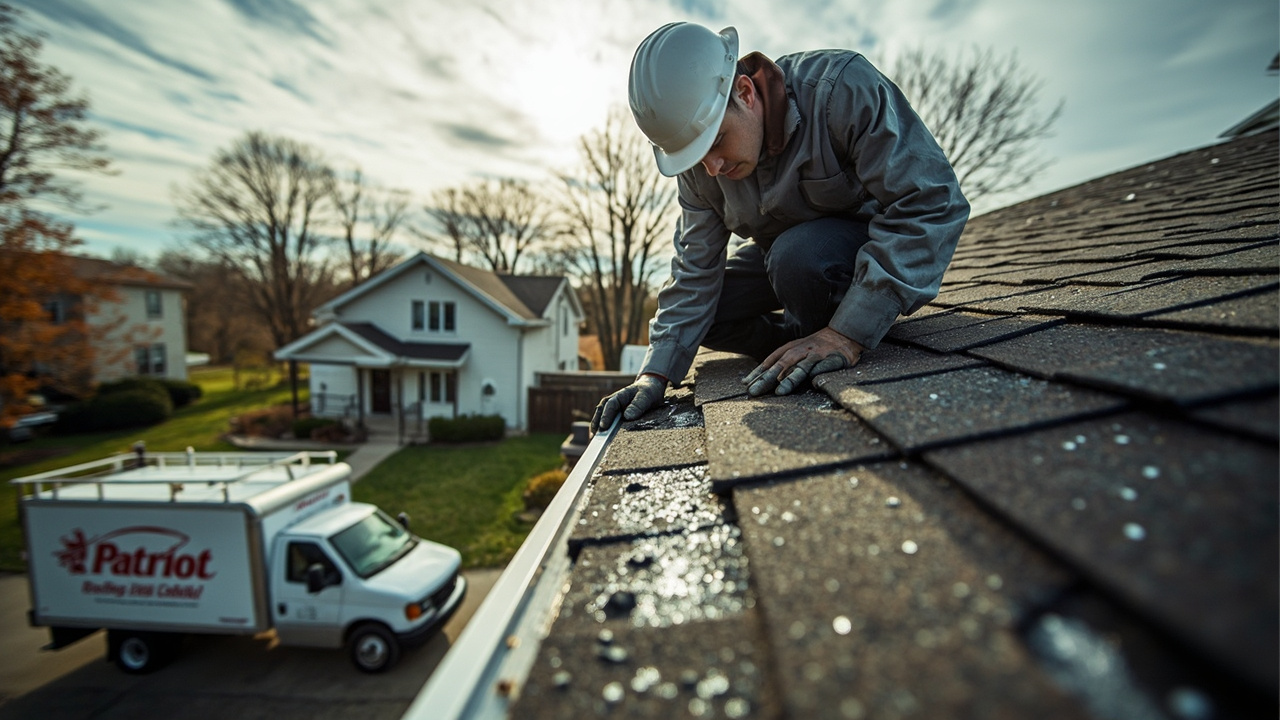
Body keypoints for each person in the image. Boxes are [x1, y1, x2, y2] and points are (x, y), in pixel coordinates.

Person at [591, 22, 969, 433]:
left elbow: (931, 200)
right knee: (707, 311)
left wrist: (847, 333)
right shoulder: (701, 167)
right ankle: (793, 342)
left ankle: (838, 329)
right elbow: (694, 270)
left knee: (799, 254)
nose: (712, 168)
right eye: (696, 158)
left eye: (716, 142)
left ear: (745, 94)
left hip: (856, 258)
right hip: (783, 263)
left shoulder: (839, 90)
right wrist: (655, 374)